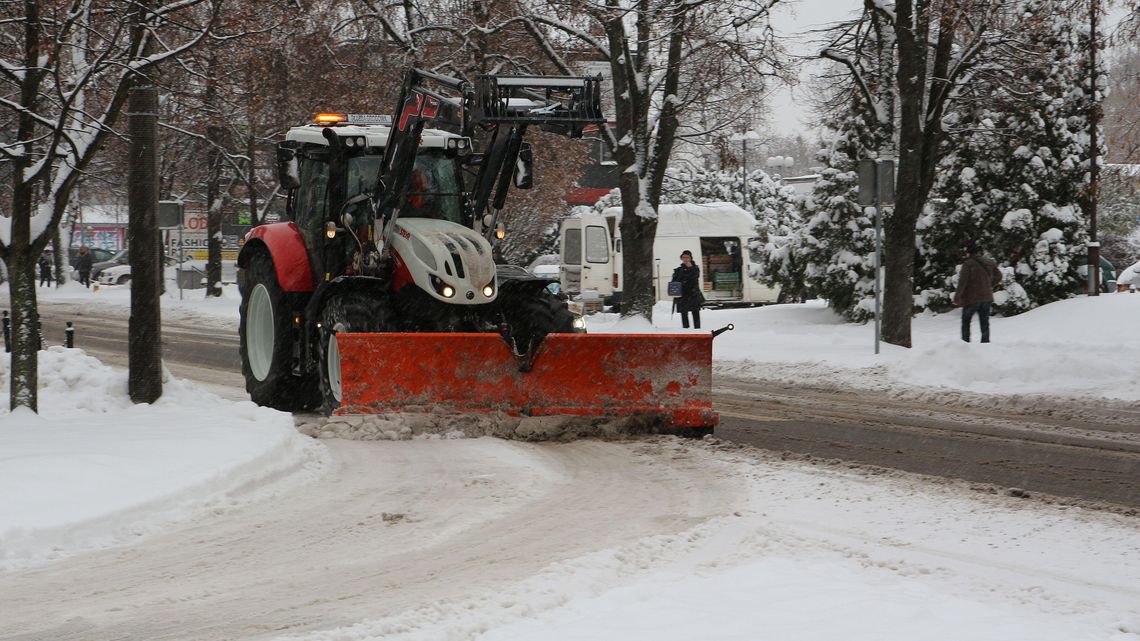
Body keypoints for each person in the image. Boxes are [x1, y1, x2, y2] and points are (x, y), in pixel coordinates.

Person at [953, 240, 1002, 343]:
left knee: (966, 321)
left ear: (968, 252)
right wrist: (989, 285)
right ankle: (985, 344)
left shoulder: (968, 264)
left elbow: (963, 282)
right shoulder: (988, 262)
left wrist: (957, 297)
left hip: (972, 298)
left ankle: (965, 344)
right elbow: (999, 276)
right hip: (986, 297)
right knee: (984, 322)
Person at [672, 250, 705, 329]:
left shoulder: (695, 268)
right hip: (683, 295)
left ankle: (697, 330)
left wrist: (690, 269)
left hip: (693, 294)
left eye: (687, 257)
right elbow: (675, 281)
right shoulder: (679, 269)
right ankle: (686, 330)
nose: (685, 259)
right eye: (683, 257)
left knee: (695, 312)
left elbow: (694, 278)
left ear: (690, 258)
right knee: (684, 314)